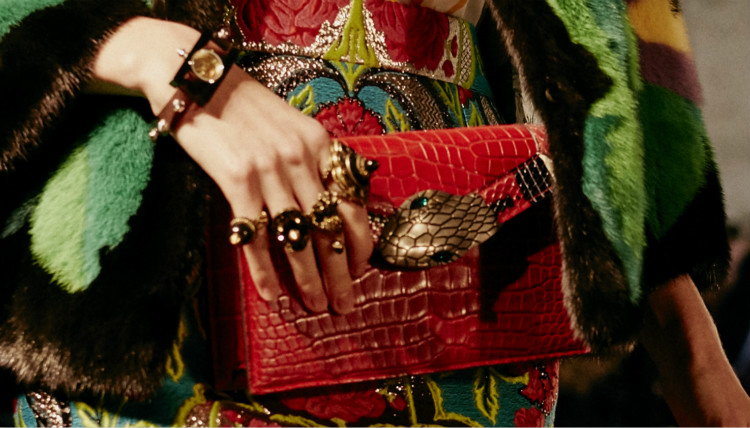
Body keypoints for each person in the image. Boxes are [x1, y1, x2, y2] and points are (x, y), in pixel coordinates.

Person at [0, 0, 748, 426]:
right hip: (167, 275)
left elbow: (617, 55)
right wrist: (161, 58)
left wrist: (690, 342)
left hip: (469, 290)